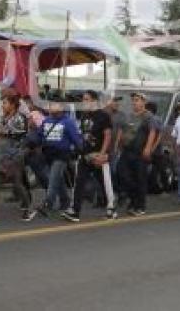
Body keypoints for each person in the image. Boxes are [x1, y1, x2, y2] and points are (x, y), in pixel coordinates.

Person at [0, 93, 35, 223]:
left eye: (5, 103)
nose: (2, 106)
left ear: (12, 105)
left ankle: (27, 208)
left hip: (14, 154)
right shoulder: (3, 117)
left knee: (17, 184)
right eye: (2, 103)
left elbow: (10, 133)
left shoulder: (20, 118)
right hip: (0, 154)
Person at [65, 91, 116, 222]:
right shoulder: (84, 116)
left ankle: (111, 208)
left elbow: (108, 135)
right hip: (86, 155)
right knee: (79, 182)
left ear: (94, 101)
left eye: (86, 99)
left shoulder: (103, 116)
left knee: (105, 183)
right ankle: (75, 211)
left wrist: (102, 154)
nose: (84, 102)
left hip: (99, 155)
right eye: (83, 99)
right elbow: (83, 135)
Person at [35, 101, 83, 219]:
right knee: (58, 178)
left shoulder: (68, 122)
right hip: (48, 154)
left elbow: (76, 138)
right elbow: (40, 135)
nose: (51, 107)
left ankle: (48, 204)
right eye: (51, 105)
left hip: (62, 154)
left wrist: (81, 150)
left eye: (55, 105)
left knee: (53, 178)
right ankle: (65, 200)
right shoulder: (47, 121)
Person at [116, 93, 159, 217]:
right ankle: (132, 198)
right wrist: (119, 144)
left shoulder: (148, 116)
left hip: (139, 152)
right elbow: (123, 130)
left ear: (143, 102)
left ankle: (140, 206)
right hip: (127, 150)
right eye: (133, 100)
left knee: (140, 179)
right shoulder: (129, 116)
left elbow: (153, 132)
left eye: (137, 100)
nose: (134, 103)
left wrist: (148, 148)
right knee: (121, 174)